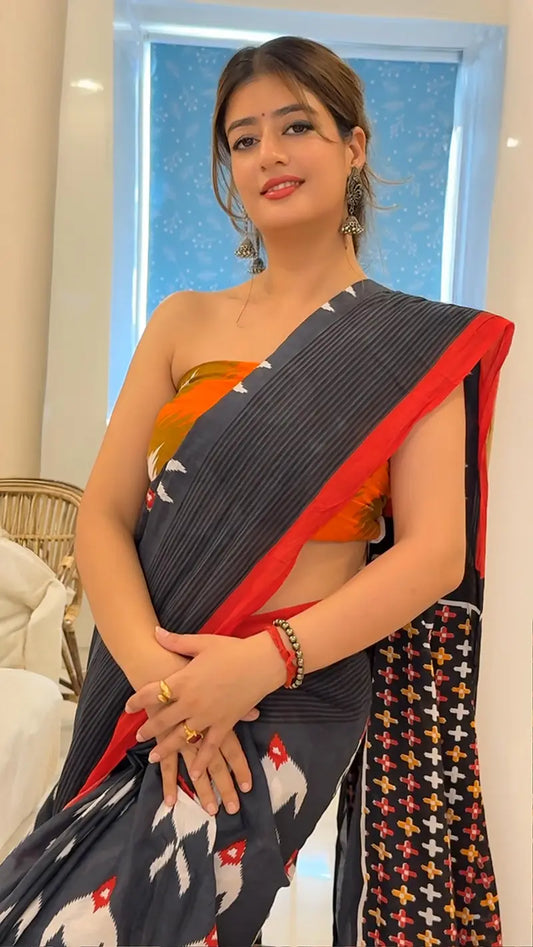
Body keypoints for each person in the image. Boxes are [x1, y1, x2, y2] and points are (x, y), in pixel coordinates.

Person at [0, 35, 512, 947]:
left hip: (291, 691)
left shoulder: (409, 347)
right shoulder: (184, 319)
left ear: (353, 146)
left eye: (296, 126)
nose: (268, 154)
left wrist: (256, 664)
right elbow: (105, 520)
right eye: (242, 139)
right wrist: (170, 690)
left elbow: (435, 553)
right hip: (156, 691)